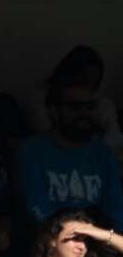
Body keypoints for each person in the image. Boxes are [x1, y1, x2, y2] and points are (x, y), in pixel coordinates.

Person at [20, 72, 122, 234]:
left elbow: (117, 212)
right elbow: (37, 211)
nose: (84, 114)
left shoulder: (103, 153)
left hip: (98, 244)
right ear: (54, 110)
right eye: (75, 107)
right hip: (49, 244)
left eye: (90, 107)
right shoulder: (32, 151)